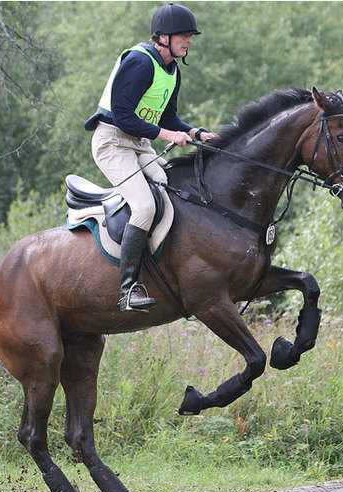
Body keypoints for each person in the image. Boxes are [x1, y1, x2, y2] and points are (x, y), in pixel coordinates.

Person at [85, 3, 218, 313]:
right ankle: (128, 289)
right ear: (163, 37)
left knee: (171, 186)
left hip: (139, 143)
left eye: (190, 36)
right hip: (113, 142)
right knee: (144, 206)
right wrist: (170, 137)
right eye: (184, 35)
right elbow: (123, 116)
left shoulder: (171, 70)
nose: (189, 41)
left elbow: (168, 116)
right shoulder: (140, 63)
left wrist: (196, 132)